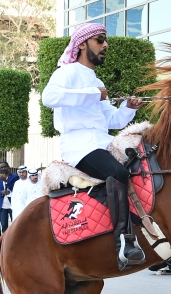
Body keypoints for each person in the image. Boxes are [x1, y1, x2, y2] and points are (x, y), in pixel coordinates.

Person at [40, 22, 144, 269]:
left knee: (143, 163)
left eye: (105, 40)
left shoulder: (95, 80)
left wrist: (128, 108)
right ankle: (124, 241)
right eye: (99, 40)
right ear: (82, 44)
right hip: (80, 146)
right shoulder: (67, 72)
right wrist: (93, 94)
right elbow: (48, 97)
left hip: (102, 142)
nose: (105, 45)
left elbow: (111, 121)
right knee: (117, 173)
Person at [0, 167, 15, 234]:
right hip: (3, 206)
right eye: (1, 176)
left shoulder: (13, 179)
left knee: (14, 224)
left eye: (3, 176)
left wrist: (6, 182)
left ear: (6, 175)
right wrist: (1, 192)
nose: (2, 178)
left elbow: (15, 189)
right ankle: (5, 239)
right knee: (4, 226)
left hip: (12, 205)